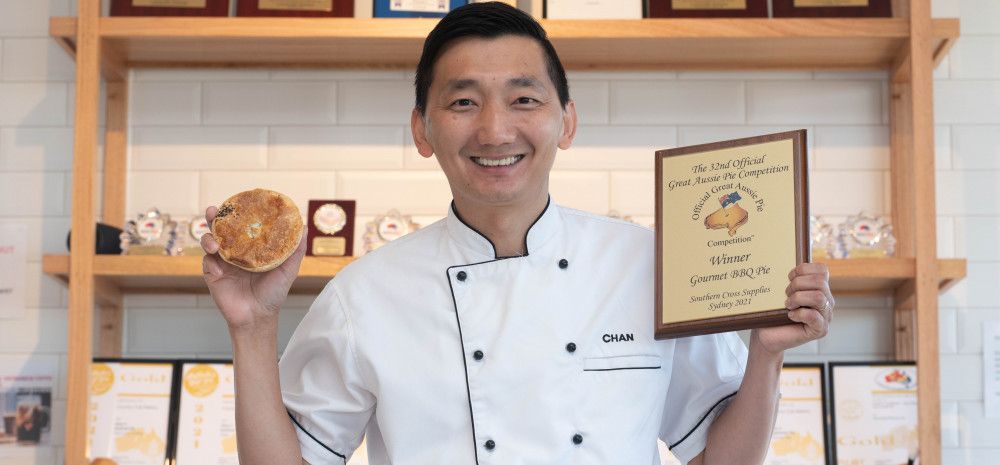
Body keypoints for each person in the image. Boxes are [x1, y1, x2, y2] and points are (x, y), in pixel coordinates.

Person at [199, 3, 834, 465]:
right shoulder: (363, 294)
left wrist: (766, 354)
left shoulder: (650, 266)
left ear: (568, 120)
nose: (496, 131)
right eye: (463, 101)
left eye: (524, 100)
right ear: (422, 130)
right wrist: (252, 329)